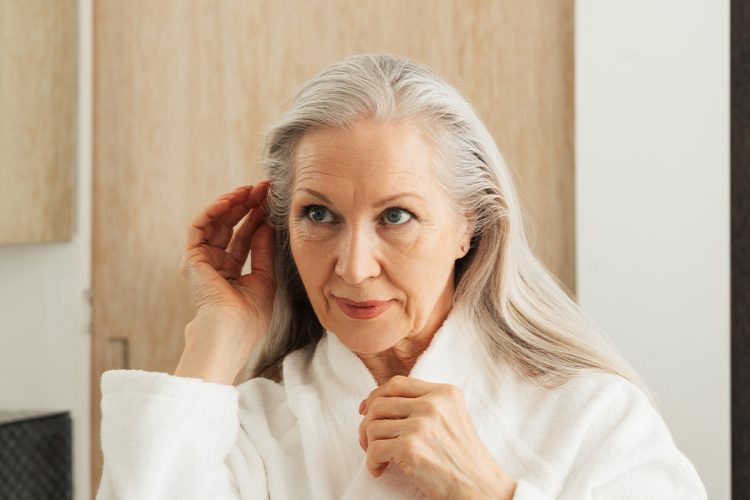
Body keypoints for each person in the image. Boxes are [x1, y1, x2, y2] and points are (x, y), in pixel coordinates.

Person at [96, 53, 707, 499]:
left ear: (470, 226)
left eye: (396, 215)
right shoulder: (250, 429)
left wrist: (488, 493)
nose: (355, 268)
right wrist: (218, 334)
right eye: (318, 214)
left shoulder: (587, 413)